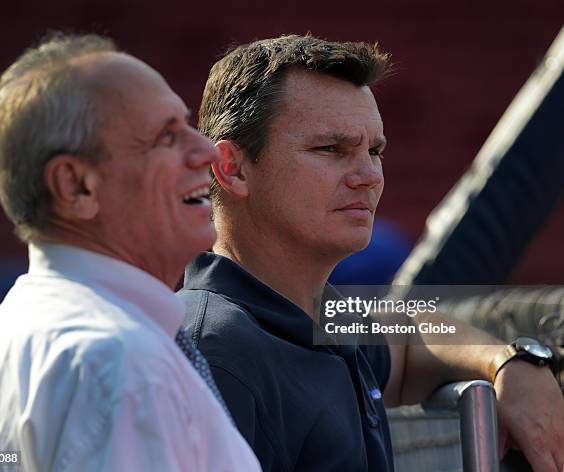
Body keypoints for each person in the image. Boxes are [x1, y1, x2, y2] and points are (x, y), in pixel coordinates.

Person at [179, 34, 564, 471]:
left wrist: (510, 362)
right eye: (331, 149)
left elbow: (406, 337)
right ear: (232, 168)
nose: (368, 176)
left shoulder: (313, 312)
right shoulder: (212, 352)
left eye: (374, 150)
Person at [0, 33, 260, 472]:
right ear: (76, 186)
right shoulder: (121, 363)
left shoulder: (1, 333)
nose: (206, 150)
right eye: (167, 136)